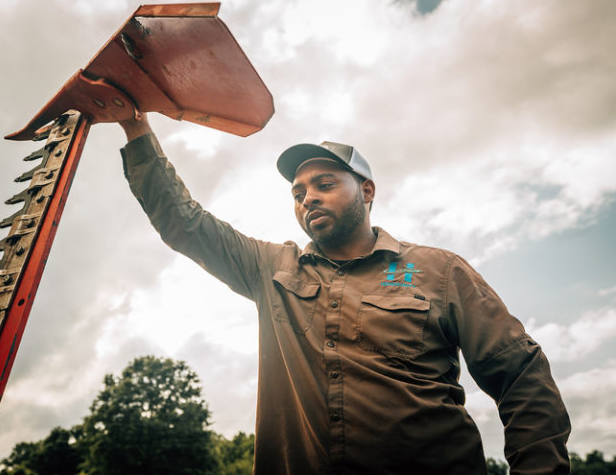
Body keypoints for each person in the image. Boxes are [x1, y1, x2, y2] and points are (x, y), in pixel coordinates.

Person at [117, 114, 571, 475]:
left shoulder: (437, 270)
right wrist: (135, 126)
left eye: (325, 185)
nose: (308, 198)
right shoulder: (270, 268)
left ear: (367, 191)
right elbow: (185, 223)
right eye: (298, 192)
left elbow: (521, 375)